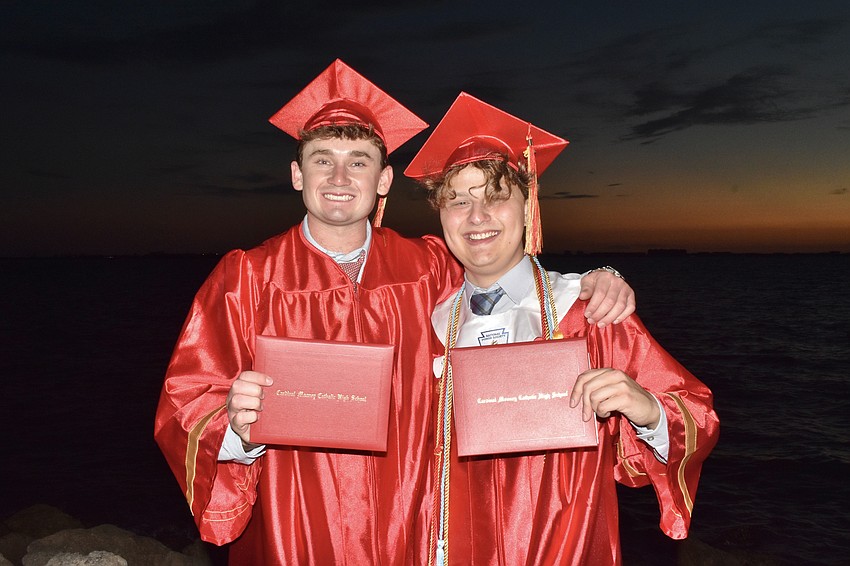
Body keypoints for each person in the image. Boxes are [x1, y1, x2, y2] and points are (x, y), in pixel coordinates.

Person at [154, 61, 635, 564]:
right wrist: (234, 428)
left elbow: (504, 283)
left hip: (411, 521)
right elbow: (184, 403)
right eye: (322, 160)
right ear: (297, 174)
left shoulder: (427, 265)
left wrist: (592, 280)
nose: (340, 177)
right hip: (295, 519)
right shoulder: (246, 279)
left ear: (383, 180)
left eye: (359, 162)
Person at [404, 92, 720, 565]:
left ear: (528, 207)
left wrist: (646, 408)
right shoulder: (425, 320)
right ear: (440, 216)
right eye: (458, 201)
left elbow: (697, 414)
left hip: (561, 548)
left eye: (496, 198)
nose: (477, 217)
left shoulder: (586, 315)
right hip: (449, 547)